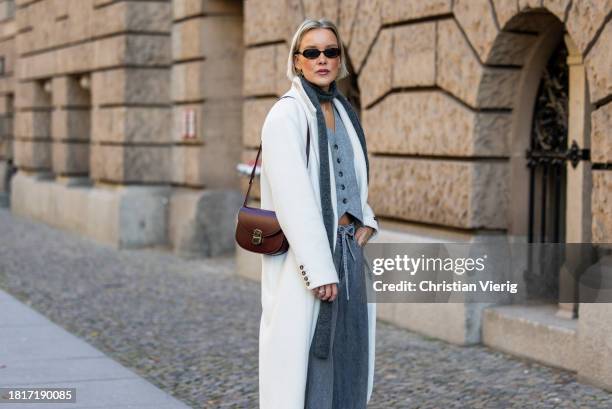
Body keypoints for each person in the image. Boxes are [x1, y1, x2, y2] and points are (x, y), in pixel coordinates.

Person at [258, 17, 380, 409]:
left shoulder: (343, 111)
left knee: (350, 350)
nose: (322, 59)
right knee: (308, 358)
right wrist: (319, 268)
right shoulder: (285, 115)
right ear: (297, 61)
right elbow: (293, 197)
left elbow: (356, 180)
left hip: (348, 250)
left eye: (331, 51)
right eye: (312, 52)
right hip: (308, 260)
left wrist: (366, 222)